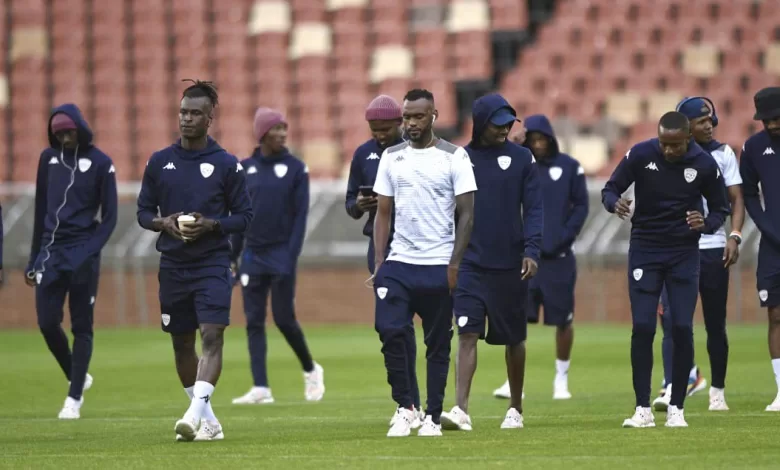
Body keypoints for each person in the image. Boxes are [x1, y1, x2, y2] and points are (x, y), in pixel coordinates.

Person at [136, 80, 253, 441]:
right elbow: (142, 212)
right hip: (173, 266)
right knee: (181, 344)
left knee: (212, 336)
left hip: (212, 265)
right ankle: (209, 421)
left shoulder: (226, 165)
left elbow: (245, 216)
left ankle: (191, 414)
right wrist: (163, 223)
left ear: (209, 118)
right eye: (183, 111)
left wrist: (212, 225)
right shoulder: (159, 162)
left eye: (195, 113)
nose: (186, 118)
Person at [602, 111, 730, 428]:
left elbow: (721, 209)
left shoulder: (703, 164)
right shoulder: (642, 153)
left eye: (675, 145)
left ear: (687, 138)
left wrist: (706, 224)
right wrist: (614, 203)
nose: (668, 151)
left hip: (684, 253)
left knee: (681, 327)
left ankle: (677, 408)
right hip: (645, 250)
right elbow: (610, 188)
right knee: (643, 327)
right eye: (663, 144)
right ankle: (642, 409)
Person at [372, 89, 476, 437]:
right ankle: (406, 407)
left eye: (418, 116)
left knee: (437, 345)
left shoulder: (454, 157)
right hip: (400, 263)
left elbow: (467, 214)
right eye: (406, 117)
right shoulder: (391, 156)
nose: (411, 123)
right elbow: (383, 214)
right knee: (389, 330)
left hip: (438, 264)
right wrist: (380, 261)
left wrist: (455, 263)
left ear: (434, 115)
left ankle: (433, 416)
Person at [439, 94, 541, 431]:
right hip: (470, 263)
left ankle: (516, 408)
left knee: (514, 339)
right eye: (497, 124)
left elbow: (535, 209)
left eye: (508, 124)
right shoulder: (460, 159)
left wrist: (532, 250)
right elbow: (448, 210)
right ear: (480, 123)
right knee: (466, 333)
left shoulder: (523, 158)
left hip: (511, 264)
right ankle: (460, 410)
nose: (504, 130)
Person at [24, 104, 117, 419]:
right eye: (59, 132)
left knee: (82, 326)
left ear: (81, 129)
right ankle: (75, 374)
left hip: (83, 255)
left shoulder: (102, 163)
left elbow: (109, 219)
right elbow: (41, 210)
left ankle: (74, 398)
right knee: (47, 323)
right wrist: (34, 257)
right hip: (51, 255)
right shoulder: (47, 160)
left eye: (69, 131)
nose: (64, 137)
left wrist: (89, 251)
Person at [652, 97, 744, 412]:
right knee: (673, 319)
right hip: (676, 249)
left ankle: (717, 390)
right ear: (685, 126)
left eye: (710, 119)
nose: (709, 124)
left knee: (715, 323)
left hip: (713, 248)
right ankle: (674, 383)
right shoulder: (668, 154)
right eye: (701, 120)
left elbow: (736, 199)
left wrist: (734, 235)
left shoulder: (723, 154)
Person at [231, 107, 325, 405]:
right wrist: (232, 257)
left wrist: (290, 257)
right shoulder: (244, 169)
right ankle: (261, 387)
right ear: (262, 134)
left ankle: (311, 369)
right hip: (252, 256)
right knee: (253, 321)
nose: (283, 134)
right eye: (276, 129)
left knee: (284, 319)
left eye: (284, 128)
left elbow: (300, 219)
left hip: (281, 254)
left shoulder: (297, 169)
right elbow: (237, 217)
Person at [493, 114, 588, 401]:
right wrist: (514, 141)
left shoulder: (569, 167)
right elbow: (498, 167)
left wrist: (564, 237)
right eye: (531, 139)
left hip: (559, 260)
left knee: (562, 320)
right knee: (517, 318)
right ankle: (513, 383)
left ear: (550, 138)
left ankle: (561, 379)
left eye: (541, 139)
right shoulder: (521, 165)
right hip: (526, 259)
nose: (537, 144)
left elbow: (581, 206)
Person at [344, 95, 423, 428]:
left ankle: (419, 404)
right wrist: (361, 203)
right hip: (379, 248)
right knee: (396, 327)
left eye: (385, 128)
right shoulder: (363, 154)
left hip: (418, 244)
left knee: (425, 329)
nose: (379, 134)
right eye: (374, 130)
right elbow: (350, 204)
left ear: (399, 124)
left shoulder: (417, 151)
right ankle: (409, 403)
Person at [739, 86, 780, 412]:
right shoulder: (753, 147)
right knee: (776, 314)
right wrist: (768, 228)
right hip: (773, 244)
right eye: (766, 120)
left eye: (777, 118)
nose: (772, 124)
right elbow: (748, 194)